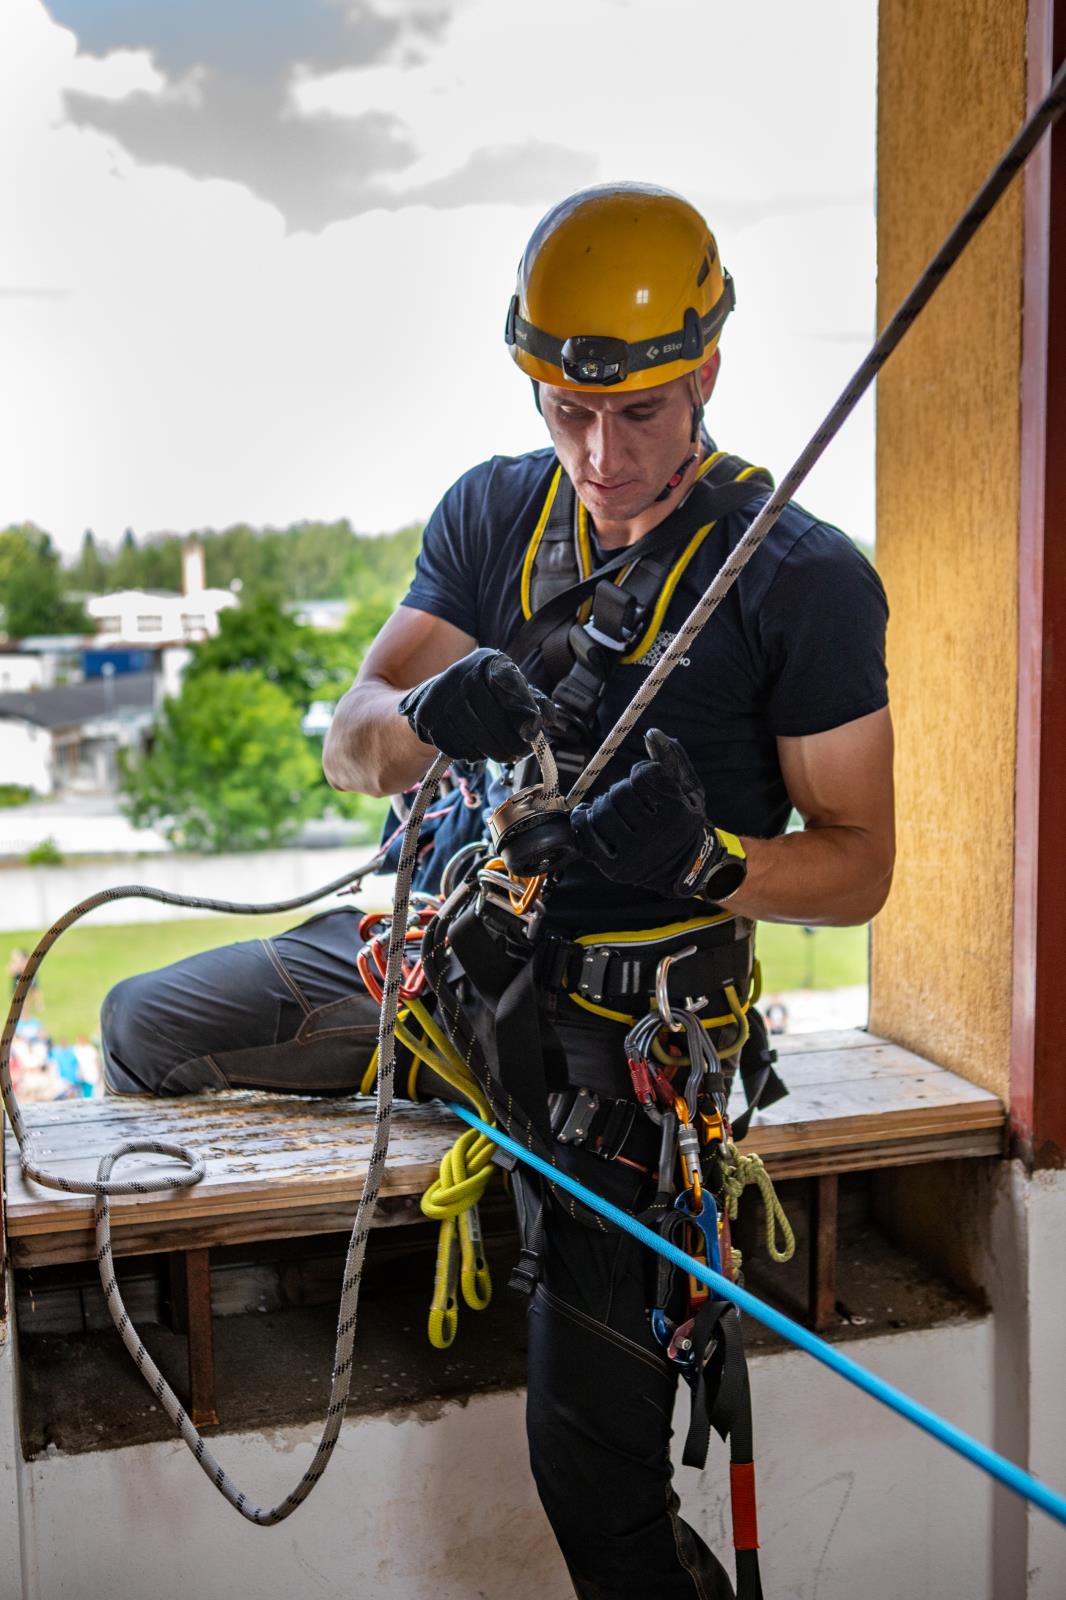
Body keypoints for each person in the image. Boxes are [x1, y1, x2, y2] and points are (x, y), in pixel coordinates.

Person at [101, 184, 893, 1598]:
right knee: (145, 1027)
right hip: (447, 968)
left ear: (705, 371)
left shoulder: (797, 580)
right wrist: (424, 721)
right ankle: (466, 1117)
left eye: (638, 412)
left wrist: (712, 867)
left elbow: (858, 865)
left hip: (618, 1048)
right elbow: (349, 745)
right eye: (564, 410)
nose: (598, 452)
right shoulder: (494, 517)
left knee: (595, 1497)